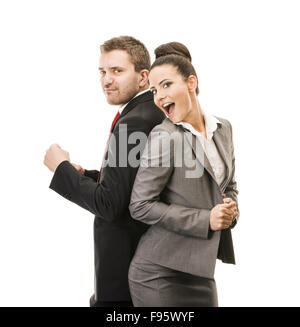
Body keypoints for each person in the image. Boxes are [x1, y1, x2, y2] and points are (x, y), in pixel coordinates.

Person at [43, 36, 165, 307]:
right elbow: (130, 182)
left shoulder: (132, 123)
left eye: (117, 71)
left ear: (143, 77)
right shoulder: (148, 113)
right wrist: (83, 174)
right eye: (103, 72)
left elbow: (109, 204)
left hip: (125, 268)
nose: (107, 80)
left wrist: (60, 168)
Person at [128, 42, 239, 307]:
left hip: (200, 270)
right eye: (154, 90)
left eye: (166, 85)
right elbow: (140, 206)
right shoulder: (164, 136)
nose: (159, 96)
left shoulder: (224, 128)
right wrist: (205, 219)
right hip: (158, 273)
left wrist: (231, 210)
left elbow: (229, 185)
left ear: (191, 82)